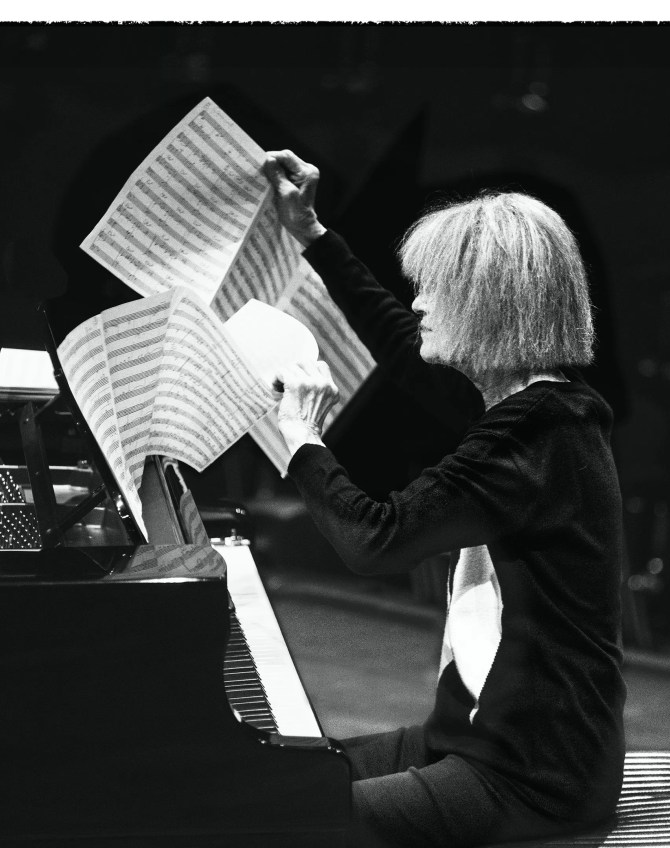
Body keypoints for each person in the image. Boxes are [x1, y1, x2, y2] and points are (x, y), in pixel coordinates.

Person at [262, 150, 627, 847]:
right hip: (468, 741)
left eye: (434, 288)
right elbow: (402, 347)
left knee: (297, 822)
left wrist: (301, 440)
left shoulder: (532, 438)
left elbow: (374, 541)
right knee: (281, 780)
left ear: (489, 305)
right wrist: (312, 234)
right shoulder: (542, 406)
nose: (420, 301)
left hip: (529, 779)